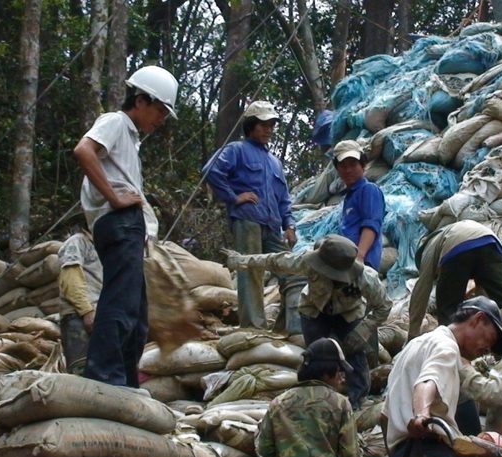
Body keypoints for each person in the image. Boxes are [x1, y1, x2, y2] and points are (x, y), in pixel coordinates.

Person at [72, 65, 178, 388]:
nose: (160, 120)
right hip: (120, 223)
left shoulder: (131, 141)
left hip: (128, 227)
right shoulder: (116, 122)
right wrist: (116, 199)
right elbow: (83, 150)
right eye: (159, 110)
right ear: (141, 100)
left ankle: (126, 381)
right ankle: (105, 377)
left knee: (136, 315)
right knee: (120, 305)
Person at [383, 296, 502, 457]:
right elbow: (427, 381)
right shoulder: (447, 347)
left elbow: (384, 414)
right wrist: (422, 415)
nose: (487, 348)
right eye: (490, 339)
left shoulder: (414, 346)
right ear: (478, 319)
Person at [225, 234, 391, 408]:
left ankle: (358, 399)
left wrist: (363, 330)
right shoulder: (308, 262)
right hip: (314, 311)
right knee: (316, 355)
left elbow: (384, 306)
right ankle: (317, 397)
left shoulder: (366, 278)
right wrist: (240, 260)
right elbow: (275, 261)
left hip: (349, 314)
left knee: (356, 354)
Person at [202, 100, 299, 330]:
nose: (269, 130)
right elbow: (211, 170)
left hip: (272, 225)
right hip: (247, 220)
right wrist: (234, 198)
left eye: (272, 125)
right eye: (263, 124)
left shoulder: (274, 163)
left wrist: (290, 225)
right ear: (251, 126)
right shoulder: (237, 150)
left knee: (292, 270)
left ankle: (290, 325)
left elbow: (284, 198)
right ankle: (253, 328)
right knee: (252, 273)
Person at [256, 337, 360, 457]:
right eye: (339, 371)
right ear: (325, 372)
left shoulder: (279, 403)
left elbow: (265, 449)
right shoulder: (340, 404)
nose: (342, 378)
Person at [408, 220, 502, 340]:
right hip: (491, 243)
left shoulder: (428, 249)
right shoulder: (449, 232)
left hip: (458, 247)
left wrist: (412, 334)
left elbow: (421, 291)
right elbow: (483, 297)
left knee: (448, 309)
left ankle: (448, 348)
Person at [57, 224, 103, 376]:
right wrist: (86, 311)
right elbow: (70, 279)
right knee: (82, 373)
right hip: (79, 316)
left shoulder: (102, 247)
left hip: (99, 315)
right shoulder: (77, 242)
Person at [332, 140, 385, 270]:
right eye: (343, 166)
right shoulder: (350, 196)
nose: (348, 170)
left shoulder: (369, 190)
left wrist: (359, 258)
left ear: (363, 165)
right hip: (348, 263)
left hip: (361, 264)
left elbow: (371, 225)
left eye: (353, 164)